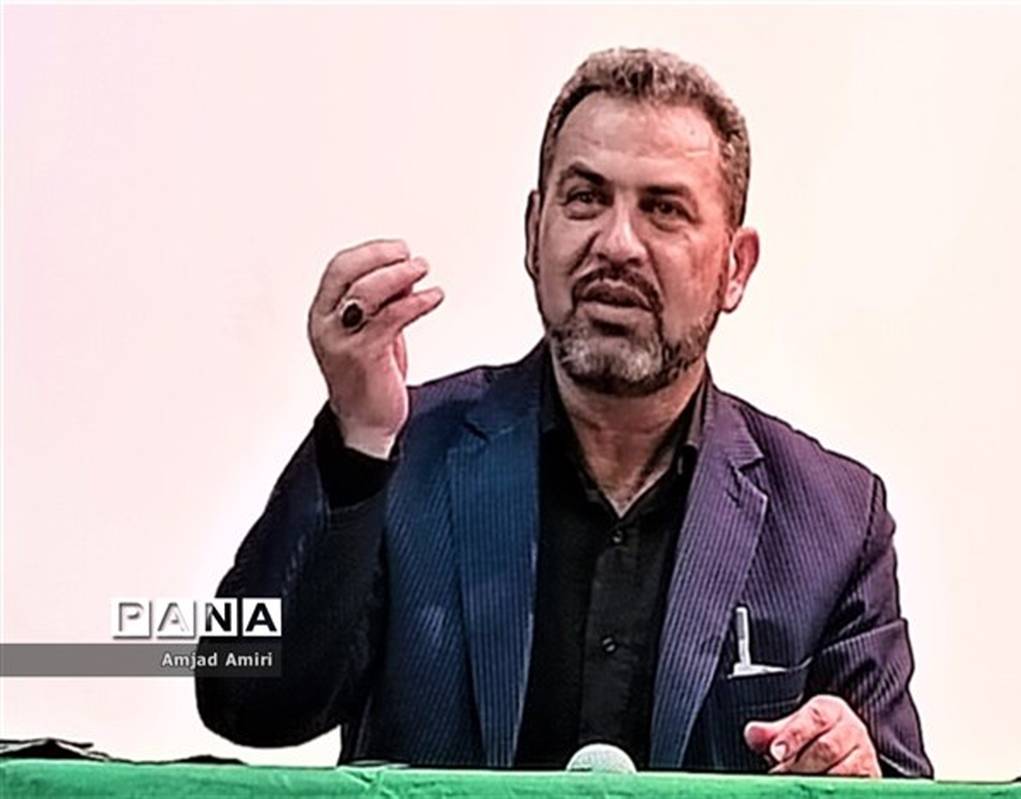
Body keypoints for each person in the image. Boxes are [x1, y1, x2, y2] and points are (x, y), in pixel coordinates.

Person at [195, 47, 932, 778]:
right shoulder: (402, 451)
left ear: (734, 267)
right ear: (533, 233)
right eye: (585, 199)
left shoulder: (835, 519)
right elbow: (238, 692)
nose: (617, 244)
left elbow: (900, 782)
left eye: (664, 210)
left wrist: (857, 770)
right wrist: (357, 442)